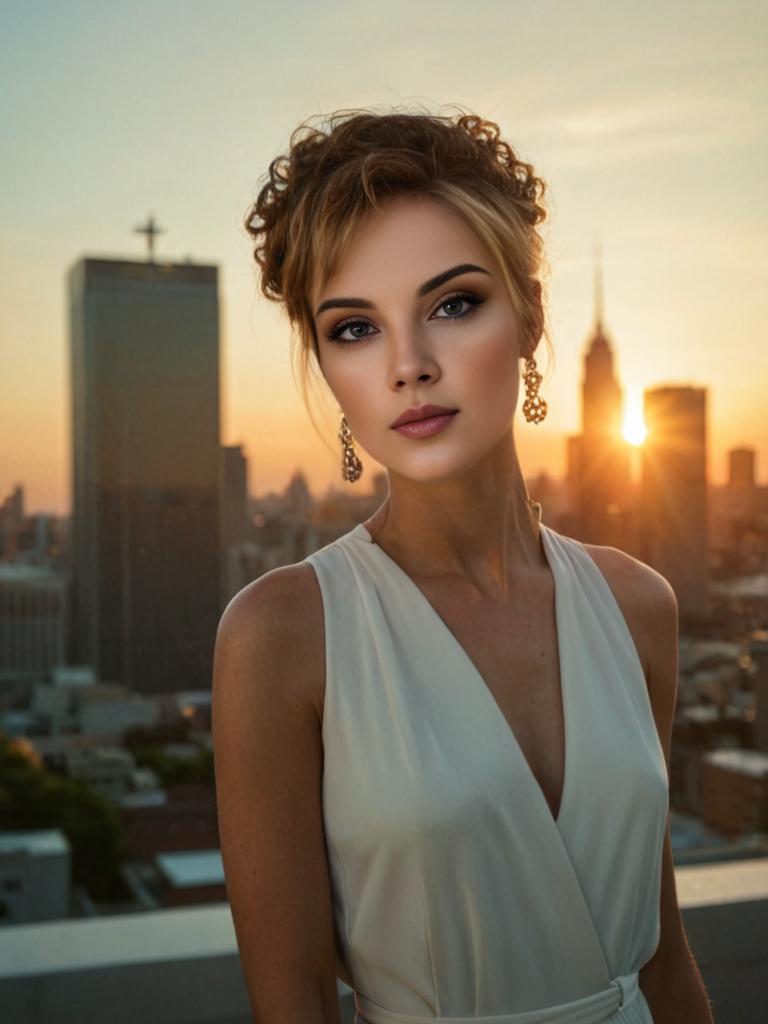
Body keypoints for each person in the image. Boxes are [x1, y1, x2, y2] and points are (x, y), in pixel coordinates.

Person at [212, 106, 714, 1024]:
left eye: (453, 305)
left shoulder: (639, 604)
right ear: (325, 366)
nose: (409, 364)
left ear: (527, 319)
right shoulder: (282, 635)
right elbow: (292, 1004)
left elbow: (665, 958)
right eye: (355, 328)